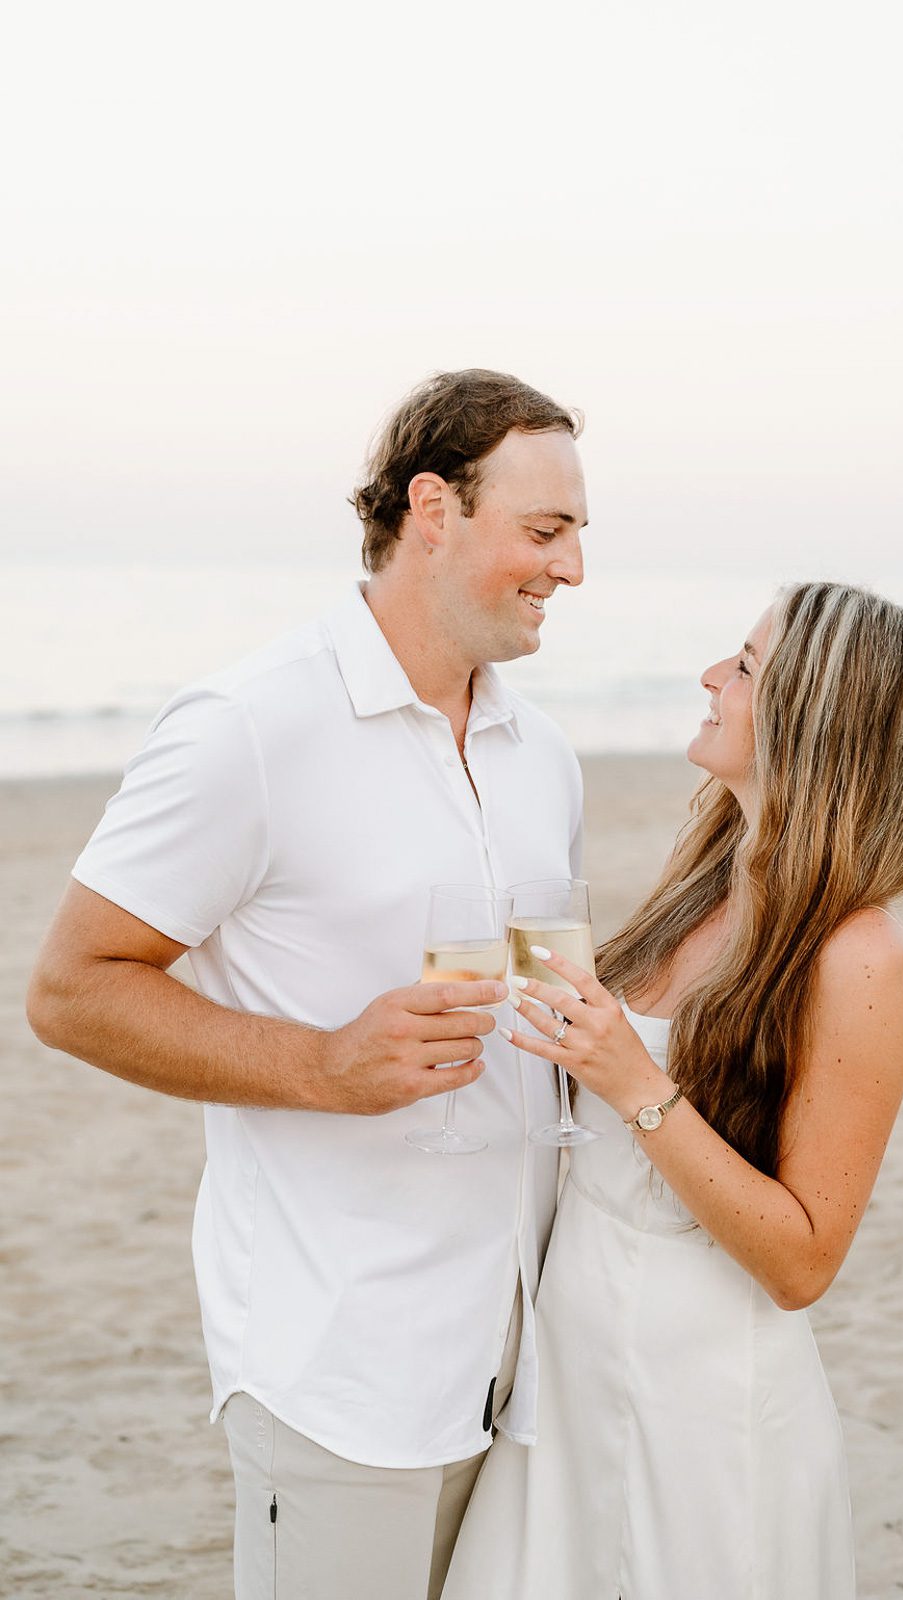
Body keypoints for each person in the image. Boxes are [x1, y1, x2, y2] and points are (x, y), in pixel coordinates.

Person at [26, 368, 589, 1600]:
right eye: (546, 531)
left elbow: (554, 998)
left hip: (532, 1358)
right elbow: (71, 989)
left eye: (578, 535)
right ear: (431, 508)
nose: (574, 568)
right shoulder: (248, 725)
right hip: (343, 1364)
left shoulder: (541, 752)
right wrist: (321, 1067)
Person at [441, 580, 903, 1600]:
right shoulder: (711, 874)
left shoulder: (857, 953)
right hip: (569, 1365)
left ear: (814, 716)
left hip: (705, 1401)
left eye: (747, 667)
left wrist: (634, 1080)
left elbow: (802, 1260)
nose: (712, 677)